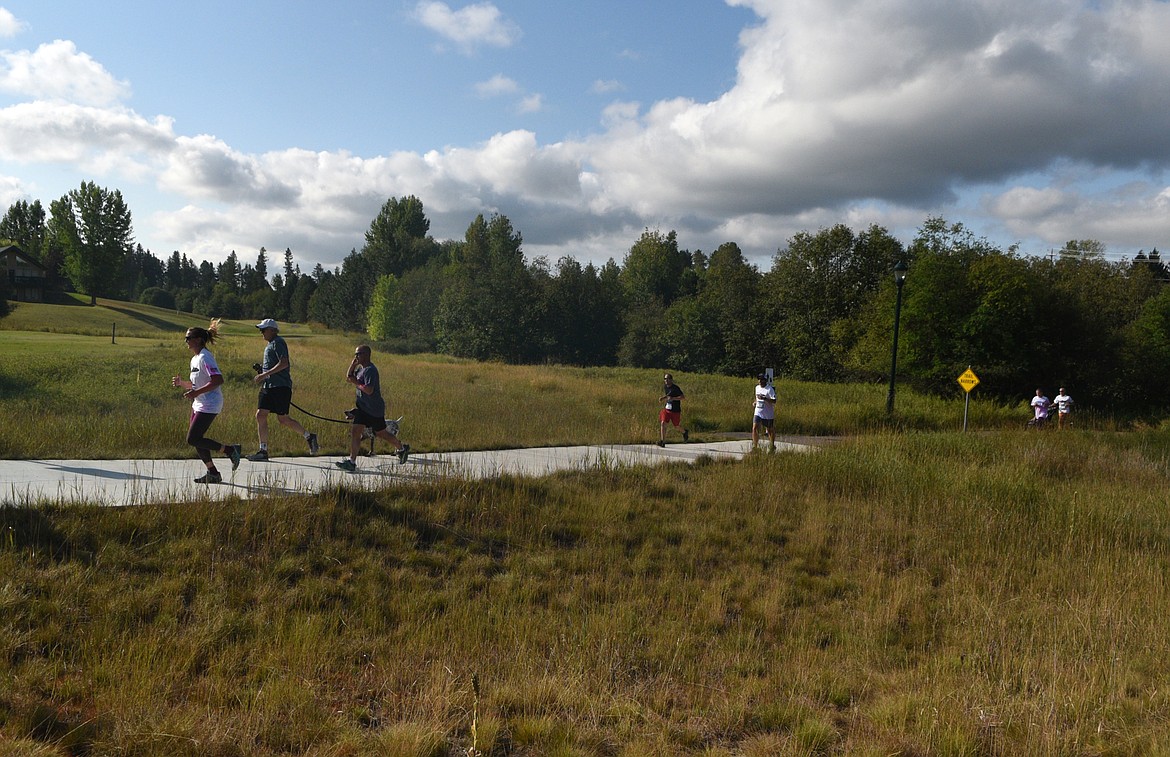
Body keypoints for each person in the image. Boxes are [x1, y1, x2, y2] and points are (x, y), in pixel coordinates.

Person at [172, 319, 242, 483]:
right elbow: (198, 383)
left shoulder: (205, 357)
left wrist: (196, 392)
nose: (186, 341)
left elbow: (218, 380)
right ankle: (213, 473)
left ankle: (230, 450)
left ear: (198, 340)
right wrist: (183, 384)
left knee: (192, 438)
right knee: (197, 439)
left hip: (210, 404)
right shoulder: (195, 359)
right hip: (199, 403)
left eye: (188, 338)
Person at [246, 318, 318, 461]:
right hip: (268, 386)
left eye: (263, 330)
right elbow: (274, 365)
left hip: (280, 387)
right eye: (261, 330)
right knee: (260, 414)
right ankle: (263, 450)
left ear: (272, 330)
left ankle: (309, 436)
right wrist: (263, 371)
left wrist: (264, 374)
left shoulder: (278, 343)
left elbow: (284, 363)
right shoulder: (270, 345)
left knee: (283, 419)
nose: (262, 333)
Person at [335, 345, 409, 472]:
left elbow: (369, 390)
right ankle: (351, 462)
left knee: (381, 433)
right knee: (355, 432)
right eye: (355, 354)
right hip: (363, 408)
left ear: (367, 355)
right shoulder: (360, 369)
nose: (356, 356)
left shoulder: (370, 370)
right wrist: (352, 365)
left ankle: (401, 448)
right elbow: (349, 378)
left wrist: (357, 383)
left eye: (358, 354)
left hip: (374, 409)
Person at [657, 373, 688, 447]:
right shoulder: (665, 387)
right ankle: (662, 441)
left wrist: (674, 398)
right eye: (665, 379)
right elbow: (669, 395)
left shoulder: (676, 388)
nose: (666, 380)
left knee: (676, 426)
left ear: (671, 380)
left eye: (667, 379)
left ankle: (684, 432)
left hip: (675, 410)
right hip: (667, 409)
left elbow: (682, 397)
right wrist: (663, 398)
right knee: (663, 423)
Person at [752, 373, 777, 450]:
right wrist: (755, 402)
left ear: (765, 380)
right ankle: (755, 447)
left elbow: (774, 401)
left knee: (769, 429)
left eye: (762, 379)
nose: (760, 381)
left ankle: (772, 445)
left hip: (767, 413)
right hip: (758, 411)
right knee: (755, 428)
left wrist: (765, 398)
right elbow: (756, 397)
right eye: (759, 379)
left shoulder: (769, 389)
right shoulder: (757, 388)